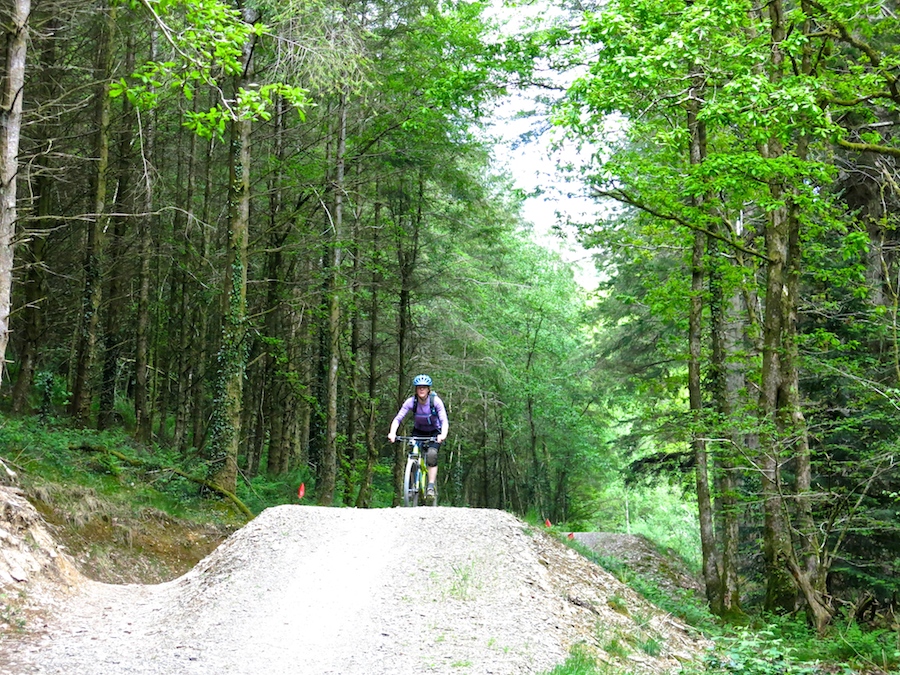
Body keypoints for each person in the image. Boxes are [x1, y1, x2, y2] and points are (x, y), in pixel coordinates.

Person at [388, 374, 448, 504]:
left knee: (432, 455)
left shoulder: (436, 401)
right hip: (418, 431)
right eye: (419, 387)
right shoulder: (411, 402)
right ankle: (410, 483)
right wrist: (392, 433)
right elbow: (398, 418)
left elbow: (444, 420)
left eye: (424, 387)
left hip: (434, 431)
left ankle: (430, 486)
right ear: (416, 389)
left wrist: (442, 434)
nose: (421, 390)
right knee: (412, 454)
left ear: (428, 389)